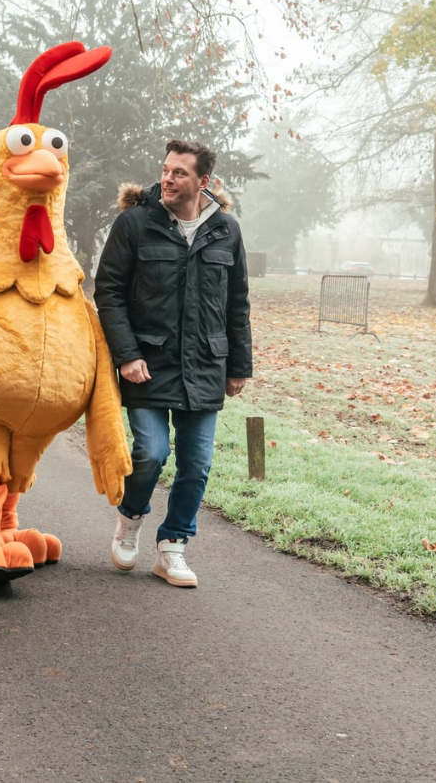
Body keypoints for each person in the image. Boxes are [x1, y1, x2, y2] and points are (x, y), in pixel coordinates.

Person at [92, 139, 253, 587]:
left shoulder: (226, 231)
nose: (167, 178)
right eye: (165, 169)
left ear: (204, 182)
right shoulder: (135, 224)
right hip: (149, 361)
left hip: (205, 364)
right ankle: (130, 519)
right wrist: (127, 355)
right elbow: (109, 293)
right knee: (150, 452)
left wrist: (239, 365)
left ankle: (173, 547)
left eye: (179, 172)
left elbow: (237, 303)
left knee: (196, 464)